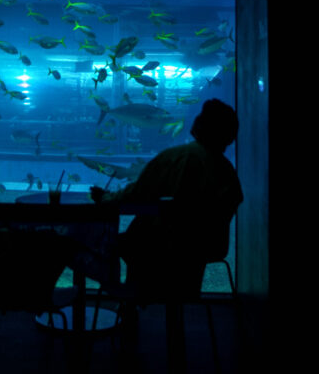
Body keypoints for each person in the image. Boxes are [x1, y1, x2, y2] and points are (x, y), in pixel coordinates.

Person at [90, 98, 243, 300]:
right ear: (230, 137)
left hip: (160, 245)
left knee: (111, 243)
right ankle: (176, 304)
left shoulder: (175, 157)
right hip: (207, 249)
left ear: (198, 126)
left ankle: (128, 297)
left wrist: (106, 198)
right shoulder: (228, 172)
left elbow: (136, 193)